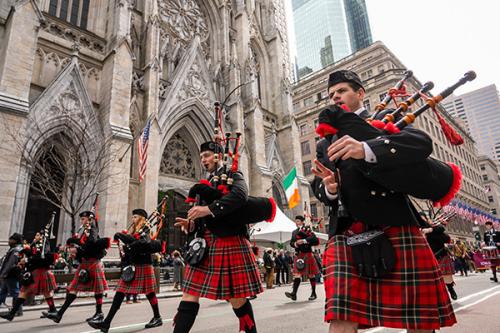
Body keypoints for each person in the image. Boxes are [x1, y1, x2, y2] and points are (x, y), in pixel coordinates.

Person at [312, 70, 456, 332]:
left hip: (393, 223)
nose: (336, 97)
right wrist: (330, 188)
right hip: (346, 231)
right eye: (332, 94)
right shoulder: (325, 143)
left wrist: (367, 149)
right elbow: (319, 186)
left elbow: (421, 144)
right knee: (341, 316)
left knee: (419, 319)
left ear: (360, 93)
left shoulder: (384, 121)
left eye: (342, 91)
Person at [172, 141, 262, 333]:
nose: (203, 160)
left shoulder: (233, 174)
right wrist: (191, 225)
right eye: (201, 156)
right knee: (189, 293)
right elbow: (201, 219)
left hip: (228, 240)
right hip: (205, 244)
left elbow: (240, 196)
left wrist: (207, 209)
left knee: (237, 299)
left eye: (206, 155)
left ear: (218, 155)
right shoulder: (205, 183)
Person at [88, 208, 163, 332]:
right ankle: (106, 323)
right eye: (133, 217)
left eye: (135, 217)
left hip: (143, 265)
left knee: (150, 293)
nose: (133, 219)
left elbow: (141, 243)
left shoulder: (146, 229)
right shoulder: (134, 230)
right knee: (120, 292)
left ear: (141, 218)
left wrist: (123, 237)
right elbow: (132, 242)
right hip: (133, 265)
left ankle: (157, 317)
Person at [43, 211, 110, 323]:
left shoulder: (93, 229)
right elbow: (85, 246)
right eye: (81, 219)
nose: (81, 221)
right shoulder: (85, 231)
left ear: (90, 219)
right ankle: (59, 314)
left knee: (98, 290)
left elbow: (91, 243)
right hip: (85, 263)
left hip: (93, 262)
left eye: (83, 219)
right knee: (73, 288)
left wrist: (75, 241)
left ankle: (99, 313)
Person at [1, 232, 58, 321]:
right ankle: (11, 314)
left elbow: (40, 258)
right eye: (36, 235)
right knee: (24, 292)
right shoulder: (35, 245)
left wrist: (27, 259)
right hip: (34, 272)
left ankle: (53, 309)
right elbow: (32, 255)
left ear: (42, 237)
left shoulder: (44, 246)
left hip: (40, 272)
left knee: (45, 292)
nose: (36, 237)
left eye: (38, 235)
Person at [420, 213, 457, 300]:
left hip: (440, 254)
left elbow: (443, 232)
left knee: (446, 276)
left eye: (423, 219)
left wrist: (430, 230)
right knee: (431, 279)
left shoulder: (434, 228)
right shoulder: (416, 230)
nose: (422, 221)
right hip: (427, 257)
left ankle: (451, 289)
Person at [285, 216, 320, 301]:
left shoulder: (307, 229)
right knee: (297, 274)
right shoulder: (294, 232)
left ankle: (313, 293)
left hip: (307, 254)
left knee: (311, 274)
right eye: (296, 221)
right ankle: (294, 294)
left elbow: (314, 239)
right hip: (299, 255)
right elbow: (291, 243)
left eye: (298, 221)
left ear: (302, 222)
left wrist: (304, 240)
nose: (296, 222)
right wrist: (296, 244)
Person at [0, 233, 23, 314]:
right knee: (3, 291)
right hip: (9, 275)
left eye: (11, 240)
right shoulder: (13, 249)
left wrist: (3, 274)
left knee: (15, 293)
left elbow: (10, 264)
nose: (9, 241)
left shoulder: (16, 250)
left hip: (11, 274)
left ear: (15, 241)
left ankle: (18, 309)